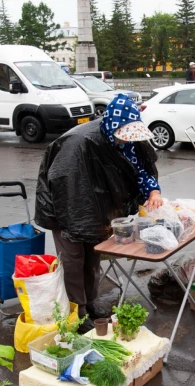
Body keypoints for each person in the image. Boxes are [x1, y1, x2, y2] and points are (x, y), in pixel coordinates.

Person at [35, 94, 164, 333]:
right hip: (66, 213)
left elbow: (141, 171)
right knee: (74, 261)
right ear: (113, 126)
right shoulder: (78, 143)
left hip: (98, 211)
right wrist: (76, 225)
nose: (127, 140)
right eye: (124, 135)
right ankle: (78, 312)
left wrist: (153, 191)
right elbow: (66, 188)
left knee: (93, 258)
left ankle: (91, 304)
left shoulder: (129, 142)